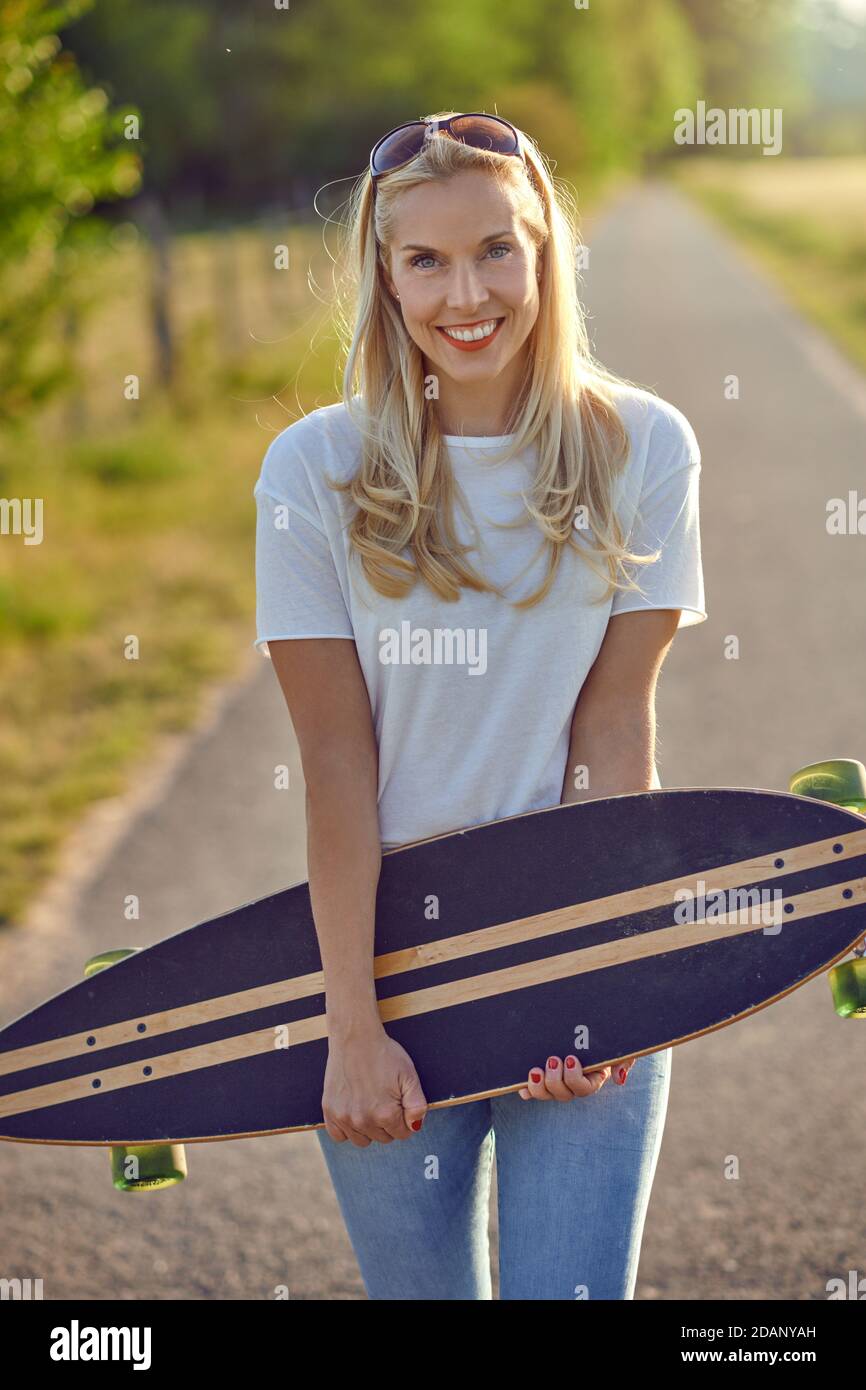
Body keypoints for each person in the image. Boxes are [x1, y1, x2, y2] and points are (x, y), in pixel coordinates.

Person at [253, 112, 706, 1299]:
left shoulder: (642, 447)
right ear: (384, 276)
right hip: (388, 974)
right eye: (426, 260)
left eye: (496, 250)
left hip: (575, 941)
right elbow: (338, 767)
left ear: (546, 252)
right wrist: (352, 1027)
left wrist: (596, 974)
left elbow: (612, 733)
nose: (468, 293)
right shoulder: (313, 471)